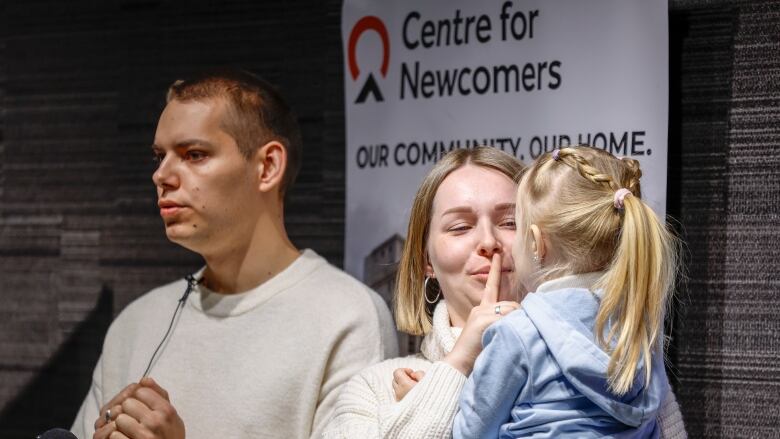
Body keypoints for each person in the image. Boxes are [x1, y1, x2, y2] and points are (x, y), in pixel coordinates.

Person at [71, 69, 397, 439]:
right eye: (159, 157)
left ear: (268, 166)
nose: (161, 175)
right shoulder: (136, 324)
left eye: (194, 154)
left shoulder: (347, 319)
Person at [322, 146, 687, 438]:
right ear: (425, 261)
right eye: (460, 226)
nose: (488, 242)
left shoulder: (622, 356)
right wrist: (456, 366)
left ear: (540, 238)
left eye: (510, 222)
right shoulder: (375, 389)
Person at [454, 145, 679, 438]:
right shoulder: (640, 327)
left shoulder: (519, 333)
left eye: (514, 225)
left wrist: (448, 383)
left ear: (536, 243)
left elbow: (471, 432)